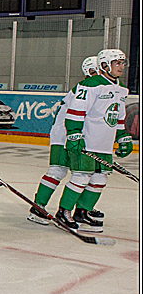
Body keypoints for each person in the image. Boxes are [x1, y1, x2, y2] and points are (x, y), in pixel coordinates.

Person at [51, 48, 131, 233]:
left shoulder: (121, 90)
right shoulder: (90, 85)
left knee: (100, 178)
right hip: (87, 142)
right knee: (81, 176)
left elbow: (118, 117)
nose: (121, 67)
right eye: (116, 63)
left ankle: (82, 211)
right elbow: (75, 112)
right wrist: (74, 133)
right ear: (104, 66)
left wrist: (122, 136)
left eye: (122, 63)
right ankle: (63, 212)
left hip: (104, 144)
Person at [27, 56, 100, 225]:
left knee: (87, 173)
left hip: (81, 136)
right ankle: (38, 208)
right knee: (58, 170)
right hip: (63, 134)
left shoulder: (99, 89)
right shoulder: (84, 88)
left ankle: (82, 208)